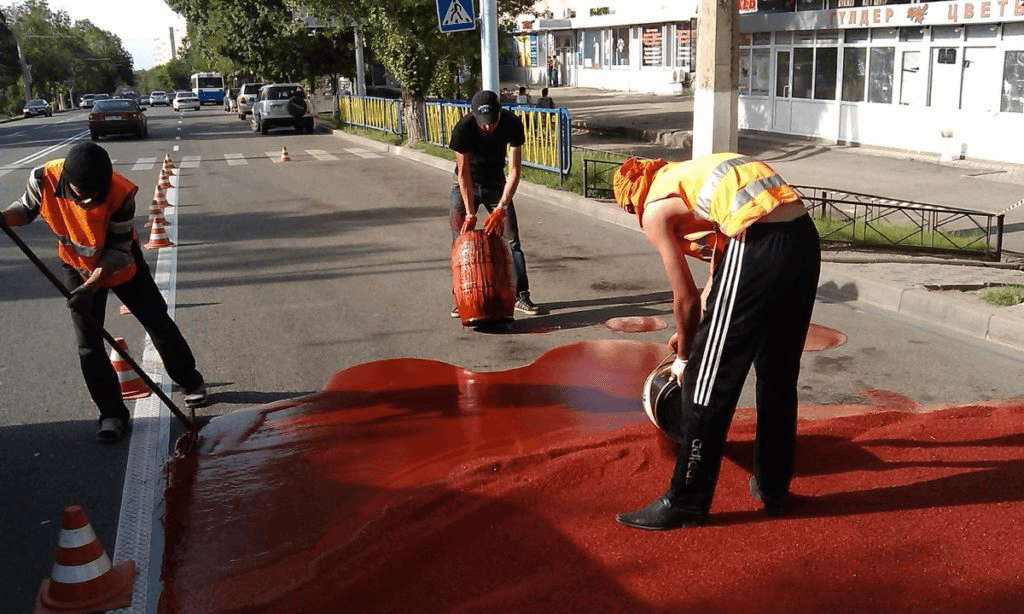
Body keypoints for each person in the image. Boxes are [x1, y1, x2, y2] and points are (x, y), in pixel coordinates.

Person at [611, 153, 821, 529]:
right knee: (778, 373)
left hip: (758, 241)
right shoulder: (690, 175)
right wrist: (692, 328)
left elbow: (686, 300)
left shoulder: (653, 211)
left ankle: (686, 500)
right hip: (803, 240)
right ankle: (772, 486)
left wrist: (685, 357)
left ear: (632, 201)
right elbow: (718, 277)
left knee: (707, 379)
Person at [1, 142, 209, 443]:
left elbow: (118, 249)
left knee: (156, 321)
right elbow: (25, 209)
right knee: (88, 344)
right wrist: (6, 217)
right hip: (75, 265)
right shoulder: (42, 178)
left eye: (95, 194)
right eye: (82, 194)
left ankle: (190, 381)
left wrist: (92, 285)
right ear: (66, 182)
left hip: (121, 264)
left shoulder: (120, 192)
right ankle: (112, 413)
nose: (89, 201)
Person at [448, 90, 541, 317]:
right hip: (466, 185)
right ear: (474, 115)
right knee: (460, 242)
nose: (488, 127)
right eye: (483, 123)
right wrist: (470, 212)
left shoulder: (512, 124)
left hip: (496, 183)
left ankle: (521, 296)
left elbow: (515, 171)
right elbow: (463, 174)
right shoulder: (463, 128)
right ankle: (463, 297)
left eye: (492, 122)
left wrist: (501, 207)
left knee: (512, 240)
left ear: (500, 113)